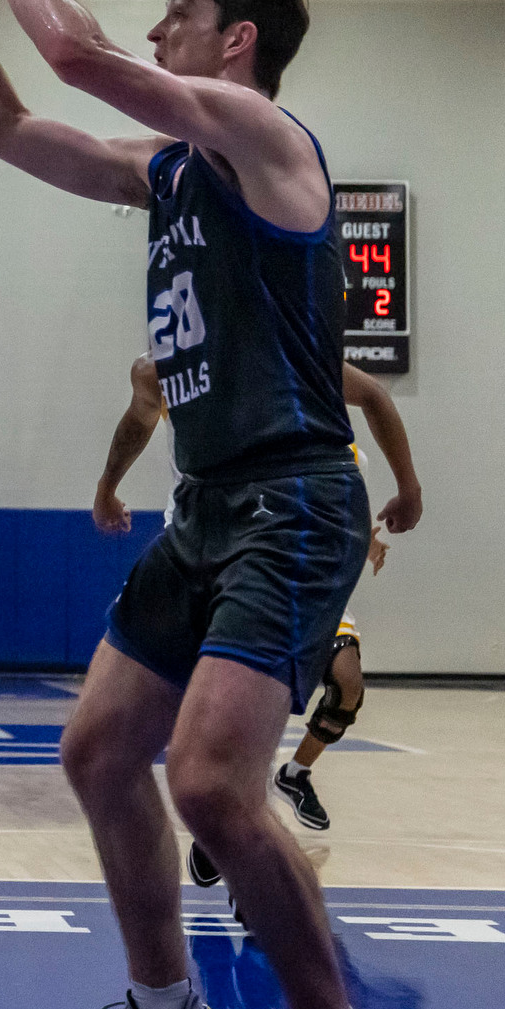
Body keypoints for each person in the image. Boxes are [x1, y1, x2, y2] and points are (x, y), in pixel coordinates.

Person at [0, 0, 401, 1009]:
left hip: (293, 500)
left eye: (177, 14)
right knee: (95, 752)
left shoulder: (263, 136)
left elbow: (77, 58)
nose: (157, 30)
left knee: (208, 786)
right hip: (209, 505)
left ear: (235, 40)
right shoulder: (175, 170)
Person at [95, 356, 421, 845]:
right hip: (197, 540)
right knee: (104, 741)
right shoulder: (169, 365)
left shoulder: (301, 375)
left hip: (284, 552)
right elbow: (139, 417)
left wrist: (397, 500)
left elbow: (373, 397)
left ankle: (281, 782)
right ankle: (229, 807)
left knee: (337, 685)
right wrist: (107, 487)